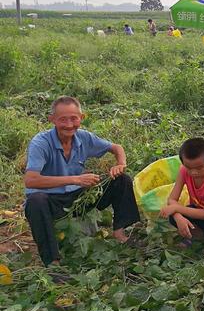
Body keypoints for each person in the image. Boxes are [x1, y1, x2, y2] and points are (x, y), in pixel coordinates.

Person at [24, 96, 141, 267]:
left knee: (121, 180)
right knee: (35, 201)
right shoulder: (40, 143)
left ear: (82, 118)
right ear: (52, 120)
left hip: (78, 198)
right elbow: (31, 180)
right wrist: (76, 179)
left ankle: (121, 233)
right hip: (51, 203)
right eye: (63, 119)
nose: (69, 125)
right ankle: (52, 262)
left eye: (74, 118)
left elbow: (116, 148)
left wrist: (120, 165)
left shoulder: (84, 137)